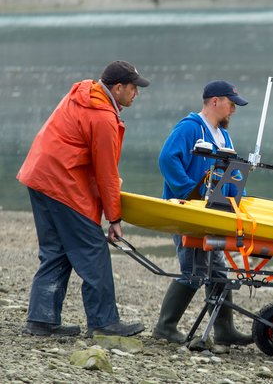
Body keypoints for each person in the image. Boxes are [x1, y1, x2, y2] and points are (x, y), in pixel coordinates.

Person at [17, 60, 149, 338]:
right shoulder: (102, 116)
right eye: (134, 88)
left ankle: (41, 320)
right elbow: (106, 172)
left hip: (38, 176)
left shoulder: (82, 93)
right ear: (118, 87)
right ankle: (103, 322)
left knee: (56, 250)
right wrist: (114, 218)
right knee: (93, 251)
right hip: (61, 183)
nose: (136, 93)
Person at [153, 80, 253, 346]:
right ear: (215, 101)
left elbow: (229, 172)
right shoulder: (189, 128)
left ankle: (224, 330)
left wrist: (233, 200)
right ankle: (165, 326)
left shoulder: (223, 135)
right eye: (232, 104)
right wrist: (189, 191)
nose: (234, 109)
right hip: (188, 212)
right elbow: (167, 159)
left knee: (217, 271)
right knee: (193, 269)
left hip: (212, 213)